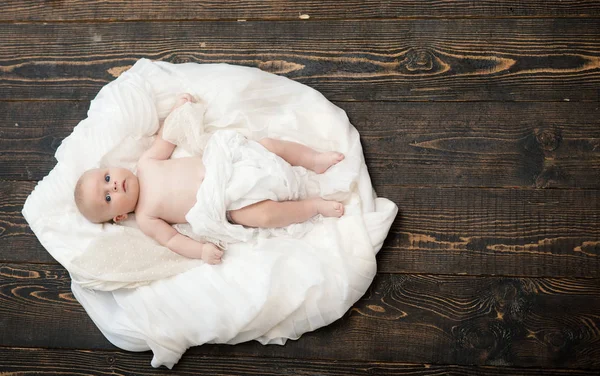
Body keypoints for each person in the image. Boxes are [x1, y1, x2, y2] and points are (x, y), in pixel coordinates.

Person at [74, 94, 345, 265]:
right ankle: (313, 206)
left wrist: (179, 112)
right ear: (120, 217)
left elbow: (166, 138)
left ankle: (313, 160)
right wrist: (200, 251)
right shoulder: (145, 218)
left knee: (267, 146)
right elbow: (172, 241)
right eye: (108, 197)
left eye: (107, 177)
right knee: (259, 217)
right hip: (223, 201)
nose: (113, 185)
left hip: (223, 165)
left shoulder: (145, 164)